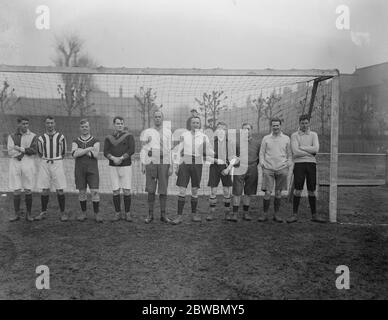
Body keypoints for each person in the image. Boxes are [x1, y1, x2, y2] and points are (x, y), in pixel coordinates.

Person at [170, 116, 213, 225]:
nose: (195, 124)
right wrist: (176, 165)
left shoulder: (204, 137)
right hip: (185, 161)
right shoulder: (184, 135)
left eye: (197, 123)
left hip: (197, 162)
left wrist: (207, 154)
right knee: (182, 190)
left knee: (194, 190)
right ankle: (179, 216)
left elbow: (209, 152)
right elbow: (179, 150)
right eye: (193, 122)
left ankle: (194, 214)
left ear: (200, 124)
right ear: (190, 124)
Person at [289, 114, 325, 223]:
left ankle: (314, 215)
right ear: (299, 123)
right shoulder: (294, 135)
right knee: (298, 190)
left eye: (306, 123)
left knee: (312, 190)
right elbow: (295, 151)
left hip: (311, 165)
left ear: (309, 123)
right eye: (302, 123)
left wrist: (302, 148)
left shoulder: (314, 135)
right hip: (299, 164)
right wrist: (310, 152)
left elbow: (316, 149)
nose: (304, 125)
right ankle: (294, 215)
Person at [140, 110, 172, 224]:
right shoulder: (147, 132)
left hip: (164, 163)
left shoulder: (168, 132)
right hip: (151, 163)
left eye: (159, 116)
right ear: (153, 118)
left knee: (163, 190)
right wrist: (143, 164)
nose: (157, 118)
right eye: (156, 117)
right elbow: (143, 149)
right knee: (151, 189)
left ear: (162, 118)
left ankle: (163, 215)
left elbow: (170, 150)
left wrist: (171, 166)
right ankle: (150, 215)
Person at [259, 117, 292, 222]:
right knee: (267, 192)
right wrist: (262, 164)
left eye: (277, 125)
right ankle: (264, 214)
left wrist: (287, 164)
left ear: (280, 126)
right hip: (268, 169)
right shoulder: (266, 138)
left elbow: (290, 154)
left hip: (281, 169)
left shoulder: (286, 138)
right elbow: (261, 153)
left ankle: (276, 215)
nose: (276, 127)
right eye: (274, 125)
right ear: (271, 126)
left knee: (278, 192)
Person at [35, 116, 67, 221]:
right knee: (44, 189)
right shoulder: (40, 138)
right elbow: (39, 153)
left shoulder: (61, 137)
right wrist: (47, 159)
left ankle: (63, 213)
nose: (50, 125)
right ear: (45, 124)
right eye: (48, 123)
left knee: (60, 189)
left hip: (57, 162)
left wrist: (55, 159)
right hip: (45, 162)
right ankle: (43, 212)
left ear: (55, 124)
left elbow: (63, 153)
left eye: (51, 123)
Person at [103, 116, 135, 222]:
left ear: (123, 124)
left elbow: (132, 150)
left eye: (121, 123)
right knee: (115, 190)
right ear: (114, 125)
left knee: (126, 190)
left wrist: (121, 158)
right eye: (118, 123)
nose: (120, 125)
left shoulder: (129, 136)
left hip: (126, 166)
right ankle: (117, 213)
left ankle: (127, 213)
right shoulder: (108, 137)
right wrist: (113, 158)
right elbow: (105, 152)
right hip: (113, 167)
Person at [7, 117, 38, 222]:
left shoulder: (33, 136)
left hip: (28, 163)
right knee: (16, 189)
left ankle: (28, 214)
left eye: (27, 124)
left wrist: (20, 149)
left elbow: (33, 151)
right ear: (18, 124)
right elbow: (10, 152)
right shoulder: (11, 136)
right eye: (23, 124)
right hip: (15, 164)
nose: (25, 126)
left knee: (28, 189)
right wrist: (23, 153)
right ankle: (16, 214)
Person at [71, 119, 102, 222]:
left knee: (95, 191)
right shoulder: (75, 141)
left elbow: (96, 155)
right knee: (82, 192)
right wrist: (89, 149)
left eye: (86, 126)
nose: (85, 128)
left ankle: (97, 214)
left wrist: (81, 151)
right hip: (80, 170)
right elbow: (74, 154)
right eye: (83, 127)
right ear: (80, 128)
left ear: (89, 127)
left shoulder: (96, 140)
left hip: (92, 170)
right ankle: (83, 213)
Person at [230, 123, 261, 222]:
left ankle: (246, 213)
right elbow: (232, 157)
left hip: (252, 168)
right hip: (239, 168)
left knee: (248, 192)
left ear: (251, 130)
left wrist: (253, 165)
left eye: (248, 129)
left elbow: (259, 158)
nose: (246, 131)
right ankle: (234, 214)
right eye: (244, 129)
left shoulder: (257, 143)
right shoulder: (237, 143)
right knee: (237, 192)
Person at [207, 122, 233, 221]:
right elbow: (206, 157)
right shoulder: (212, 142)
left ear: (226, 131)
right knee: (213, 191)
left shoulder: (229, 142)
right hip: (214, 167)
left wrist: (228, 168)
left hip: (226, 168)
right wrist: (216, 160)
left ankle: (227, 213)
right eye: (219, 129)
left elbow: (234, 158)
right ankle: (211, 213)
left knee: (226, 191)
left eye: (223, 129)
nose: (221, 131)